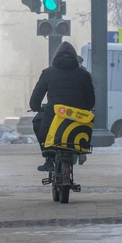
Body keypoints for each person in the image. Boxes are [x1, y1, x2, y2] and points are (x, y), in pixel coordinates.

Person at [30, 41, 95, 171]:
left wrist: (36, 107)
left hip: (53, 116)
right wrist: (84, 110)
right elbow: (90, 101)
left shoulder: (48, 73)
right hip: (76, 118)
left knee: (38, 122)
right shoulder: (83, 75)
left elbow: (36, 98)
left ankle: (48, 158)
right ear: (75, 58)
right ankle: (80, 151)